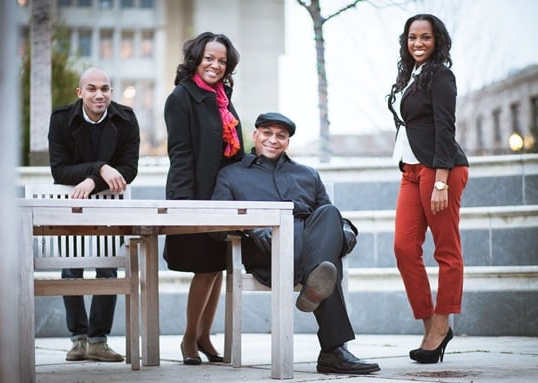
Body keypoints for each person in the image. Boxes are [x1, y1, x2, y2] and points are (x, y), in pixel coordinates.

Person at [211, 112, 380, 375]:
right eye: (267, 133)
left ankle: (316, 282)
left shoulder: (307, 174)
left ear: (288, 141)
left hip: (310, 245)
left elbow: (328, 216)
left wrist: (346, 231)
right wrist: (253, 228)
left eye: (281, 136)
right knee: (327, 264)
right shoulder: (231, 175)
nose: (273, 140)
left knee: (330, 214)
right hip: (267, 252)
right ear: (255, 135)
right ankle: (333, 351)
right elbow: (217, 224)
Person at [386, 14, 469, 364]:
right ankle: (430, 322)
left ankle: (442, 324)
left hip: (440, 169)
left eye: (425, 37)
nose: (417, 43)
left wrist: (440, 180)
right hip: (410, 169)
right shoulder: (410, 76)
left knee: (446, 249)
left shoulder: (441, 75)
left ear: (437, 41)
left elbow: (445, 128)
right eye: (411, 37)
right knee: (404, 248)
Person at [48, 67, 140, 362]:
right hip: (72, 204)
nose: (99, 94)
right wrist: (98, 168)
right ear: (80, 93)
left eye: (105, 88)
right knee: (71, 268)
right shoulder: (62, 118)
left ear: (111, 92)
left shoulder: (126, 119)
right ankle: (78, 340)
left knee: (108, 268)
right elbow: (58, 170)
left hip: (108, 206)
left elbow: (129, 170)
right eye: (92, 89)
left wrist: (93, 181)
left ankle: (98, 341)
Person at [163, 32, 245, 365]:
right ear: (196, 58)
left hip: (224, 196)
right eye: (209, 58)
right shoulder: (181, 98)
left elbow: (235, 149)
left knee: (218, 267)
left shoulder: (222, 96)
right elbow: (180, 154)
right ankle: (188, 339)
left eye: (222, 60)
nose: (215, 65)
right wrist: (185, 204)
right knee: (204, 267)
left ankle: (204, 337)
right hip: (196, 194)